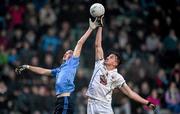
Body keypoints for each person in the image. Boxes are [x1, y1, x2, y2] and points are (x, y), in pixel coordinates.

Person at [15, 18, 101, 114]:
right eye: (68, 52)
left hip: (66, 99)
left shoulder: (72, 63)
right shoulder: (59, 70)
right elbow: (43, 71)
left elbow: (79, 43)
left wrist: (90, 28)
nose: (69, 52)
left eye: (71, 53)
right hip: (60, 100)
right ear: (64, 56)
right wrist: (28, 67)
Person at [86, 16, 156, 114]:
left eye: (111, 57)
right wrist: (100, 26)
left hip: (104, 107)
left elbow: (130, 93)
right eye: (108, 56)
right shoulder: (99, 64)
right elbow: (98, 45)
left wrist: (147, 103)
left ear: (115, 63)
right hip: (91, 104)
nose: (107, 57)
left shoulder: (117, 77)